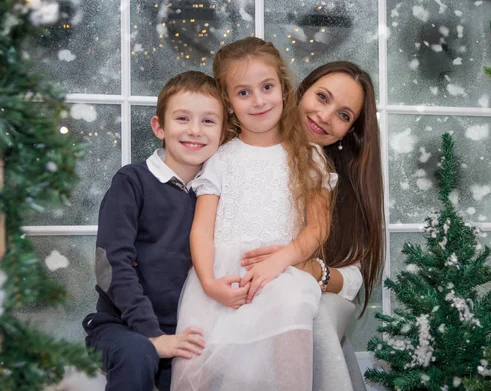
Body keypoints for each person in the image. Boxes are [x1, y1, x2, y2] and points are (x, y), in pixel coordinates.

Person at [171, 37, 335, 391]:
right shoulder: (219, 158)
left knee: (288, 320)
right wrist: (210, 284)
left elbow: (318, 227)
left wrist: (282, 261)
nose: (259, 100)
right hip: (222, 280)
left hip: (280, 272)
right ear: (228, 102)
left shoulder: (308, 156)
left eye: (266, 87)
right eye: (243, 92)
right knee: (205, 366)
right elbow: (201, 231)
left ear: (284, 88)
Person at [242, 61, 385, 390]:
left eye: (344, 115)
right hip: (240, 287)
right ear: (301, 90)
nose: (325, 116)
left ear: (350, 131)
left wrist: (308, 268)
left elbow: (353, 279)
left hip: (302, 307)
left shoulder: (336, 181)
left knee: (313, 319)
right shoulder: (246, 146)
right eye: (322, 97)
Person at [82, 71, 226, 391]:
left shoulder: (217, 194)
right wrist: (153, 335)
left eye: (208, 121)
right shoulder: (132, 182)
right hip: (123, 328)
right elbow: (111, 262)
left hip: (190, 330)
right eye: (183, 118)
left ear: (223, 132)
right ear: (159, 127)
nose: (194, 130)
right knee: (138, 354)